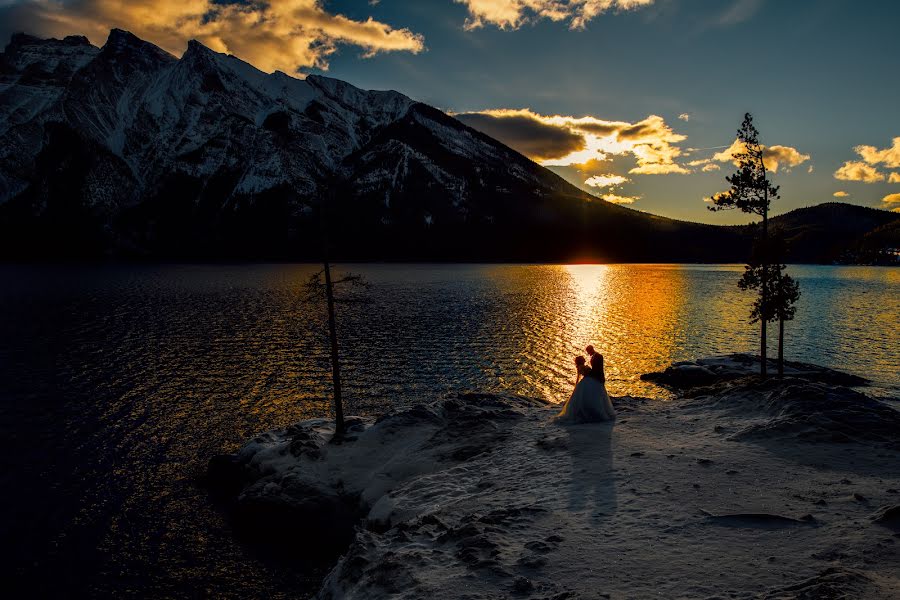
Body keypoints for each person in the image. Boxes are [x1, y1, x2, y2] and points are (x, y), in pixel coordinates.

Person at [556, 352, 615, 423]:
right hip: (588, 381)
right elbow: (587, 373)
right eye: (583, 359)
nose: (584, 359)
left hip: (587, 381)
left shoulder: (581, 367)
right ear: (581, 361)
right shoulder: (582, 367)